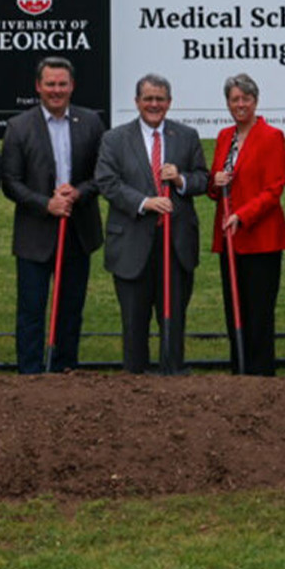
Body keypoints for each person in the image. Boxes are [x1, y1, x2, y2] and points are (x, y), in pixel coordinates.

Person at [95, 73, 209, 374]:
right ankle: (136, 381)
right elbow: (107, 182)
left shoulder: (186, 136)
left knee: (173, 316)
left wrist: (181, 179)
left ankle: (172, 375)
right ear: (137, 102)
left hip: (176, 244)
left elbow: (202, 179)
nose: (154, 104)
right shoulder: (115, 139)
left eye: (160, 99)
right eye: (148, 99)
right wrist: (145, 202)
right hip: (132, 242)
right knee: (134, 318)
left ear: (169, 103)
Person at [1, 56, 105, 374]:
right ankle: (30, 373)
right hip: (35, 233)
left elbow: (102, 174)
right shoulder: (19, 127)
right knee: (32, 309)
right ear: (38, 86)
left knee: (70, 308)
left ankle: (64, 369)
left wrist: (78, 193)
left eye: (62, 84)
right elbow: (11, 183)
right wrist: (46, 203)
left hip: (77, 230)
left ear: (72, 86)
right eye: (50, 84)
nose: (56, 90)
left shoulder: (91, 122)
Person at [209, 73, 285, 375]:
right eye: (234, 99)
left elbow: (274, 188)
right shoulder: (224, 136)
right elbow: (215, 186)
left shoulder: (271, 136)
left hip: (261, 237)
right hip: (230, 238)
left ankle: (261, 372)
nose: (240, 104)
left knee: (259, 311)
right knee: (234, 308)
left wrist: (244, 215)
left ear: (255, 101)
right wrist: (214, 182)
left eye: (245, 99)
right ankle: (238, 367)